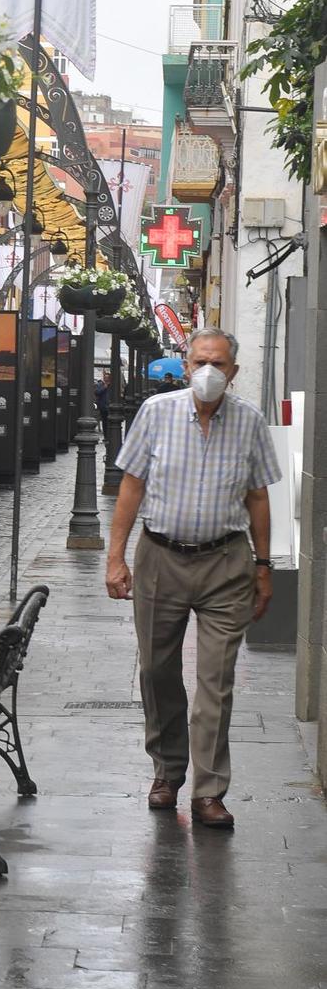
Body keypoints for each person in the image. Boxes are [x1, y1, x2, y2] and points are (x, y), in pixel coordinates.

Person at [104, 327, 280, 830]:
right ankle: (167, 771)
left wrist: (263, 567)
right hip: (161, 557)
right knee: (157, 672)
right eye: (200, 361)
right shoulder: (156, 414)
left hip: (226, 562)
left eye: (219, 364)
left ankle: (209, 789)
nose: (208, 372)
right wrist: (116, 558)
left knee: (215, 681)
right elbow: (131, 487)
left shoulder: (249, 421)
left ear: (234, 371)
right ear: (185, 366)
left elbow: (259, 496)